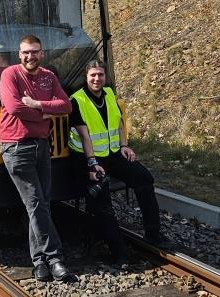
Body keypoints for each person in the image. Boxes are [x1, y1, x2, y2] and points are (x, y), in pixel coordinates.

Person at [68, 60, 172, 259]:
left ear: (105, 76)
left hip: (112, 153)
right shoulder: (77, 100)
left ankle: (153, 233)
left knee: (144, 178)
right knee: (101, 198)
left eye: (100, 75)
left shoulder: (109, 94)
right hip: (87, 157)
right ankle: (118, 251)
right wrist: (92, 164)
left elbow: (119, 123)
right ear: (85, 77)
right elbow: (85, 136)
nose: (97, 79)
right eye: (92, 75)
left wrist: (124, 146)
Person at [0, 34, 75, 282]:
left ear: (42, 54)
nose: (30, 56)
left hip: (42, 146)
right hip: (16, 146)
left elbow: (66, 106)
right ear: (19, 55)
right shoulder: (9, 74)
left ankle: (39, 261)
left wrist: (37, 104)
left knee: (41, 204)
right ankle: (55, 258)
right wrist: (44, 114)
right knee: (36, 203)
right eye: (26, 52)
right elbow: (14, 108)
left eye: (35, 52)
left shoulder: (48, 77)